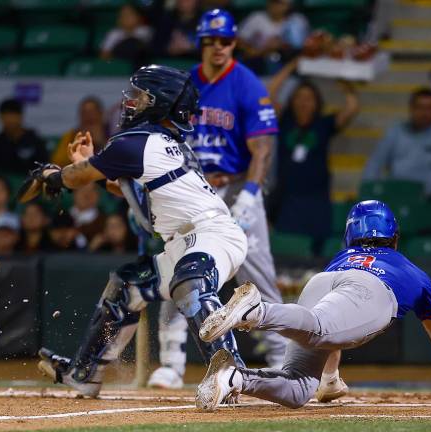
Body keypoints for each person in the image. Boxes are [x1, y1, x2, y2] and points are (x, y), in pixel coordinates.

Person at [36, 65, 249, 398]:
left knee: (190, 282)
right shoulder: (157, 142)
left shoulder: (136, 141)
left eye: (141, 96)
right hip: (190, 240)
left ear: (160, 102)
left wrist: (56, 175)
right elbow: (132, 193)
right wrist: (90, 164)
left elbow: (75, 179)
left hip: (212, 235)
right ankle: (84, 374)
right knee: (127, 285)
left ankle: (230, 376)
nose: (132, 102)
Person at [195, 200, 431, 410]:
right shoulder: (414, 273)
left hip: (323, 280)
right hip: (370, 292)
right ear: (395, 237)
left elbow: (337, 329)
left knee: (300, 388)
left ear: (350, 234)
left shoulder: (342, 257)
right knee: (319, 329)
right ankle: (254, 311)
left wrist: (329, 381)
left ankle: (231, 378)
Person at [145, 9, 288, 390]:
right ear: (201, 44)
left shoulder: (247, 84)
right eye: (211, 40)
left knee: (256, 274)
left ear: (234, 43)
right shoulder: (185, 83)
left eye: (225, 40)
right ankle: (172, 363)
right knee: (182, 268)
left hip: (238, 185)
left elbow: (262, 149)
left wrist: (252, 195)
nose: (219, 47)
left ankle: (280, 356)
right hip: (193, 189)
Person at [267, 57, 359, 251]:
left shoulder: (323, 124)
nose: (303, 103)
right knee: (288, 252)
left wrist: (338, 72)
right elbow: (269, 93)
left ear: (317, 103)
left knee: (316, 256)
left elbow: (352, 107)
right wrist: (293, 64)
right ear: (292, 102)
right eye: (299, 97)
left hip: (318, 201)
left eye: (309, 98)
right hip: (287, 200)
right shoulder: (285, 122)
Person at [362, 88, 431, 194]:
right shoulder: (395, 132)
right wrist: (368, 189)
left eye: (430, 108)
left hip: (429, 196)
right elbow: (375, 162)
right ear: (411, 108)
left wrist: (421, 192)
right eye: (420, 108)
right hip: (395, 190)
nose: (425, 113)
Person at [237, 0, 308, 73]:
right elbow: (238, 39)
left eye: (278, 3)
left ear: (288, 6)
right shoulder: (257, 17)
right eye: (272, 1)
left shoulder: (297, 20)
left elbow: (301, 47)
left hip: (286, 62)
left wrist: (281, 44)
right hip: (258, 61)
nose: (273, 5)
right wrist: (254, 50)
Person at [0, 98, 48, 176]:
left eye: (13, 116)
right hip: (3, 185)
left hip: (32, 183)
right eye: (6, 116)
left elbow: (44, 167)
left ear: (20, 116)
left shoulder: (34, 140)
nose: (10, 120)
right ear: (0, 118)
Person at [51, 97, 108, 167]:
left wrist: (101, 143)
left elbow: (117, 161)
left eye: (92, 112)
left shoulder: (111, 133)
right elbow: (57, 164)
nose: (88, 116)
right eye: (84, 113)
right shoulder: (71, 135)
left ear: (101, 114)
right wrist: (74, 151)